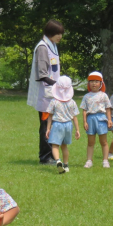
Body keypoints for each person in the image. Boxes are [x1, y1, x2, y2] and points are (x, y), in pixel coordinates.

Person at [27, 19, 65, 165]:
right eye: (57, 33)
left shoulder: (53, 46)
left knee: (53, 125)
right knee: (45, 126)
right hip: (46, 94)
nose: (60, 36)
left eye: (61, 33)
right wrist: (58, 85)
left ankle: (51, 154)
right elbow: (42, 74)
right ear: (50, 33)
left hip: (53, 93)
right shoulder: (43, 47)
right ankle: (45, 157)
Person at [44, 75, 81, 173]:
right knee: (64, 146)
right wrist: (77, 130)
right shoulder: (72, 102)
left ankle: (58, 161)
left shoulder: (54, 101)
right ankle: (66, 165)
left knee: (55, 146)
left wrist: (48, 128)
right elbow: (75, 117)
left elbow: (50, 116)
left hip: (57, 125)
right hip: (68, 125)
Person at [80, 71, 112, 168]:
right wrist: (85, 121)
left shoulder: (104, 95)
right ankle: (89, 160)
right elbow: (84, 110)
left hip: (101, 118)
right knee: (90, 142)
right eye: (92, 81)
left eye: (96, 81)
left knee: (103, 141)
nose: (94, 83)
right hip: (91, 119)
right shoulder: (86, 96)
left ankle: (105, 160)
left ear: (101, 83)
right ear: (89, 83)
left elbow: (108, 108)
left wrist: (109, 120)